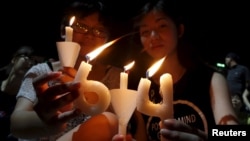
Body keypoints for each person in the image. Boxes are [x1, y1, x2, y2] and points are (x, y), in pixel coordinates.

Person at [113, 0, 239, 140]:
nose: (153, 37)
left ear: (179, 30)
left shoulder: (209, 79)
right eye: (145, 31)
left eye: (162, 26)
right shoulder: (140, 89)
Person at [10, 0, 122, 140]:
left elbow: (124, 124)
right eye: (81, 26)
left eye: (99, 30)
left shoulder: (116, 77)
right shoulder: (43, 72)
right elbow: (16, 125)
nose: (89, 35)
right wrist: (45, 121)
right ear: (64, 30)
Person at [0, 45, 43, 141]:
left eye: (35, 63)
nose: (31, 64)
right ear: (14, 59)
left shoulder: (24, 102)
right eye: (28, 58)